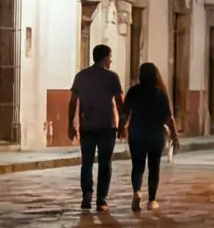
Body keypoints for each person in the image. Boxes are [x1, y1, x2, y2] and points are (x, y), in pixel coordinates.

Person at [70, 45, 123, 213]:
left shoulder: (81, 76)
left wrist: (71, 124)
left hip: (88, 126)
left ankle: (86, 196)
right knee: (105, 164)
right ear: (106, 57)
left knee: (86, 163)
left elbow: (73, 102)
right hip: (107, 126)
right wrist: (123, 124)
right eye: (111, 57)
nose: (111, 60)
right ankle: (101, 200)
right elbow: (121, 102)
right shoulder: (112, 77)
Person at [124, 62, 176, 211]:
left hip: (136, 133)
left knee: (137, 166)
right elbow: (168, 118)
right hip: (155, 134)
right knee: (154, 167)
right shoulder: (160, 93)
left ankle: (137, 191)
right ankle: (152, 200)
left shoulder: (133, 92)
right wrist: (174, 135)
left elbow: (125, 113)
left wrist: (121, 128)